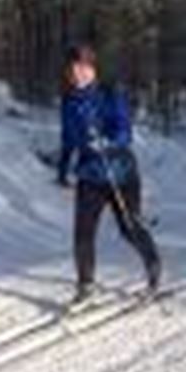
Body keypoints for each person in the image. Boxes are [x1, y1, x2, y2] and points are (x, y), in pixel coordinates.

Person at [57, 44, 161, 304]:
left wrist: (109, 142)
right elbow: (68, 138)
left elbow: (125, 130)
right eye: (72, 68)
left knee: (129, 227)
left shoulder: (110, 94)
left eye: (82, 67)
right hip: (89, 175)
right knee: (83, 233)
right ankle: (85, 285)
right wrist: (62, 168)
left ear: (92, 69)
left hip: (120, 172)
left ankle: (153, 264)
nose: (77, 73)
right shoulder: (69, 102)